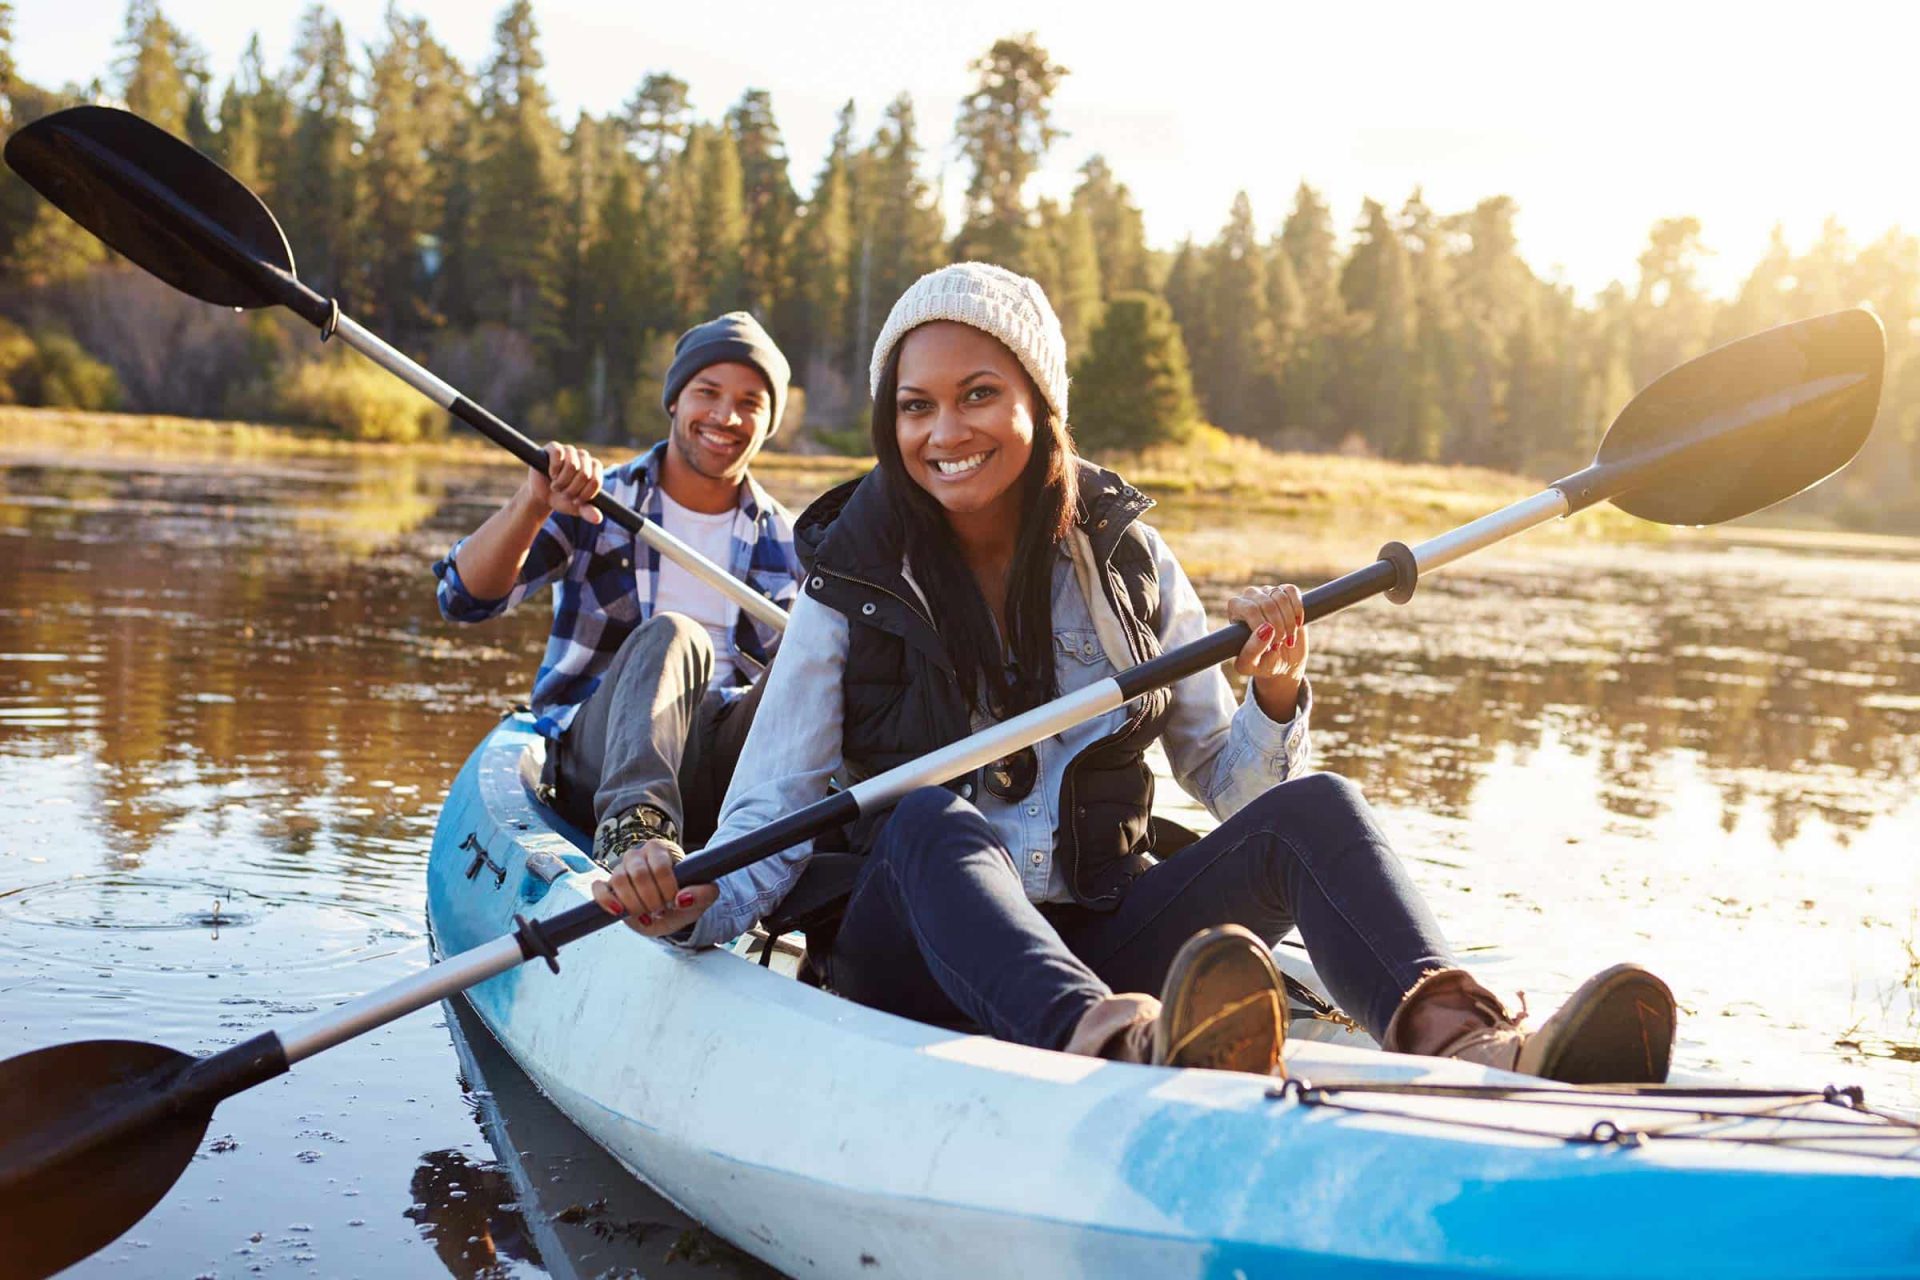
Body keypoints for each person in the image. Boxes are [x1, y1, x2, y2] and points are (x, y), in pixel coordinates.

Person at [593, 265, 1677, 1082]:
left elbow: (1231, 782)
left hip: (1097, 928)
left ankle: (1473, 1041)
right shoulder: (848, 577)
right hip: (914, 946)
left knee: (1318, 807)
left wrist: (1275, 695)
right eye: (915, 406)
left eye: (977, 394)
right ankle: (1118, 1042)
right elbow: (774, 803)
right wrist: (687, 899)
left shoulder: (1129, 563)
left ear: (1039, 404)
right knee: (929, 821)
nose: (943, 430)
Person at [434, 312, 803, 866]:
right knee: (675, 636)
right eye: (708, 392)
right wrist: (532, 504)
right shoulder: (596, 498)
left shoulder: (789, 539)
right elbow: (463, 600)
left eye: (751, 402)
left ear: (769, 421)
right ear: (675, 400)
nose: (726, 416)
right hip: (600, 757)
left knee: (817, 654)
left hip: (725, 775)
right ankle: (635, 833)